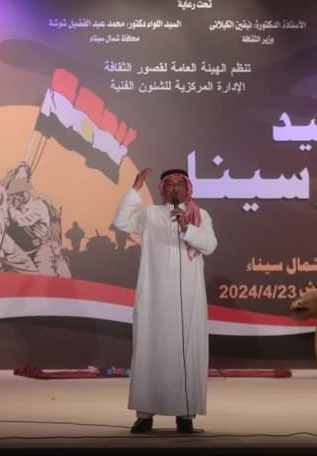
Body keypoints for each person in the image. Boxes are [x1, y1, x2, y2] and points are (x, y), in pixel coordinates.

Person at [112, 167, 217, 434]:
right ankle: (144, 415)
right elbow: (121, 223)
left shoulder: (199, 215)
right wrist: (135, 190)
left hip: (189, 296)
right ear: (162, 190)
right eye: (169, 184)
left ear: (188, 188)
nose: (175, 188)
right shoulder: (151, 214)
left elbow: (209, 245)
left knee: (187, 352)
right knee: (150, 350)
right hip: (154, 295)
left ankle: (185, 415)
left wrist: (187, 227)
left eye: (179, 184)